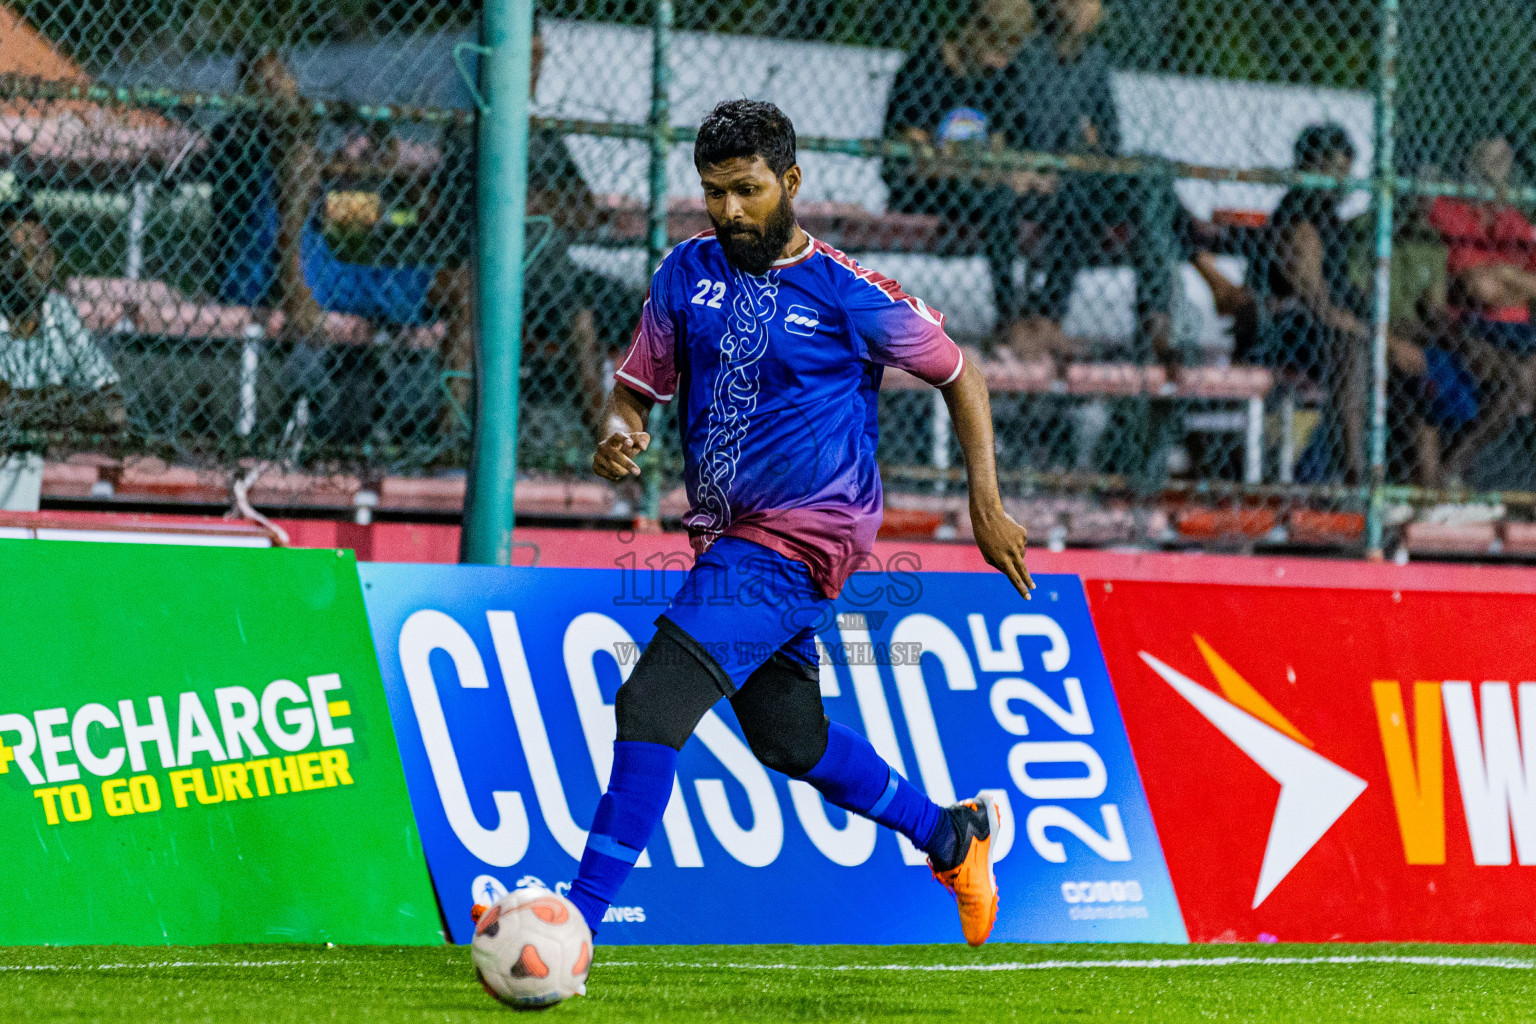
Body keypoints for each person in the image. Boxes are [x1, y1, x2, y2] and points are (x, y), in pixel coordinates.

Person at [573, 100, 1033, 954]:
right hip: (727, 535)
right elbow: (635, 391)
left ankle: (574, 925)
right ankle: (952, 836)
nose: (729, 210)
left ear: (790, 181)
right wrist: (616, 432)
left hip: (805, 535)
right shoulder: (685, 273)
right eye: (714, 192)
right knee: (791, 739)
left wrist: (985, 502)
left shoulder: (847, 292)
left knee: (650, 700)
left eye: (747, 191)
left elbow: (959, 373)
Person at [1244, 122, 1425, 483]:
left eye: (1345, 171)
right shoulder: (1297, 217)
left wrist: (1389, 332)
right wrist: (1383, 340)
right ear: (1310, 167)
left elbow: (1345, 293)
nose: (1342, 181)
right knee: (1350, 347)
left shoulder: (1330, 218)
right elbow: (1319, 306)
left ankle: (1422, 480)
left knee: (1420, 349)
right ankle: (1357, 478)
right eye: (1334, 170)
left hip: (1324, 327)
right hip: (1282, 332)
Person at [882, 0, 1043, 349]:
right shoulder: (925, 67)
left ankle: (1041, 316)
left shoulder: (1001, 77)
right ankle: (1009, 316)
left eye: (1010, 52)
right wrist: (984, 171)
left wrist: (1013, 174)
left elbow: (1001, 150)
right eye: (997, 47)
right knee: (999, 195)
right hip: (922, 191)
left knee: (1030, 197)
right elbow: (916, 160)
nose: (1000, 61)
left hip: (980, 191)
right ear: (975, 28)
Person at [1425, 128, 1536, 483]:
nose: (1496, 170)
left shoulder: (1515, 219)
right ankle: (1451, 471)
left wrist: (1502, 275)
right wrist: (1517, 282)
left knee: (1528, 372)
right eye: (1488, 160)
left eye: (1503, 161)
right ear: (1468, 161)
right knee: (1519, 379)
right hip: (1472, 324)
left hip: (1519, 330)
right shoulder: (1448, 211)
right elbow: (1476, 288)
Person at [0, 201, 123, 434]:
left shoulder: (58, 310)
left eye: (38, 254)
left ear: (51, 258)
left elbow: (112, 402)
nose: (28, 267)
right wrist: (57, 400)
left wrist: (30, 405)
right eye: (13, 255)